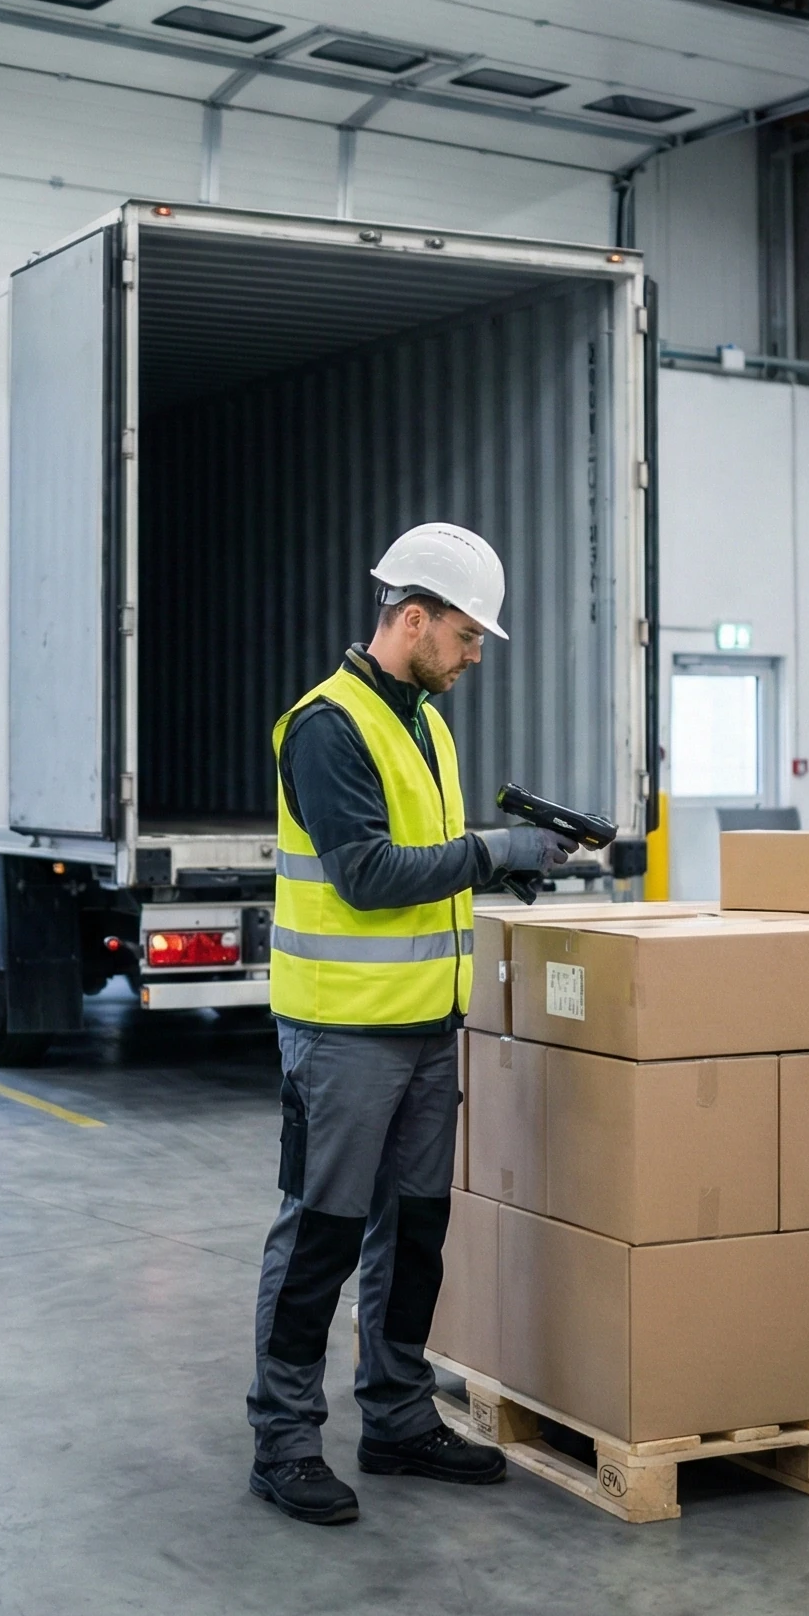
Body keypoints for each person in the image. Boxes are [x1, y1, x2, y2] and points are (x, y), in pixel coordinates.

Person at [246, 522, 559, 1525]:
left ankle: (394, 1415)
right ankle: (285, 1439)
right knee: (320, 1238)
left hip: (427, 1028)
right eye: (467, 636)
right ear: (411, 618)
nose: (474, 656)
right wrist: (488, 850)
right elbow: (366, 875)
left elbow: (426, 854)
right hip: (341, 1036)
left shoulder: (424, 720)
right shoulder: (326, 726)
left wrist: (494, 857)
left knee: (414, 1234)